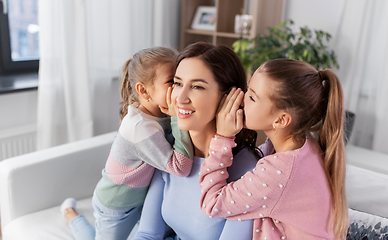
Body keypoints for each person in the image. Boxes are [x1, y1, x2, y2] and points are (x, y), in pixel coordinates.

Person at [199, 58, 349, 239]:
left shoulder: (281, 170)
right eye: (248, 89)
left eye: (252, 97)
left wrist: (223, 138)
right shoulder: (300, 145)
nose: (241, 98)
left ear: (280, 120)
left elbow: (212, 204)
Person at [133, 42, 265, 240]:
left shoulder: (249, 174)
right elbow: (147, 234)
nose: (181, 98)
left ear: (229, 98)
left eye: (197, 86)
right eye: (177, 83)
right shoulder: (169, 152)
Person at [60, 46, 194, 240]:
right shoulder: (140, 126)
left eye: (179, 81)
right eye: (172, 82)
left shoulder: (160, 114)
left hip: (136, 202)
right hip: (115, 206)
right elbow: (179, 167)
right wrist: (177, 118)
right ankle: (70, 215)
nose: (178, 89)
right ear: (143, 90)